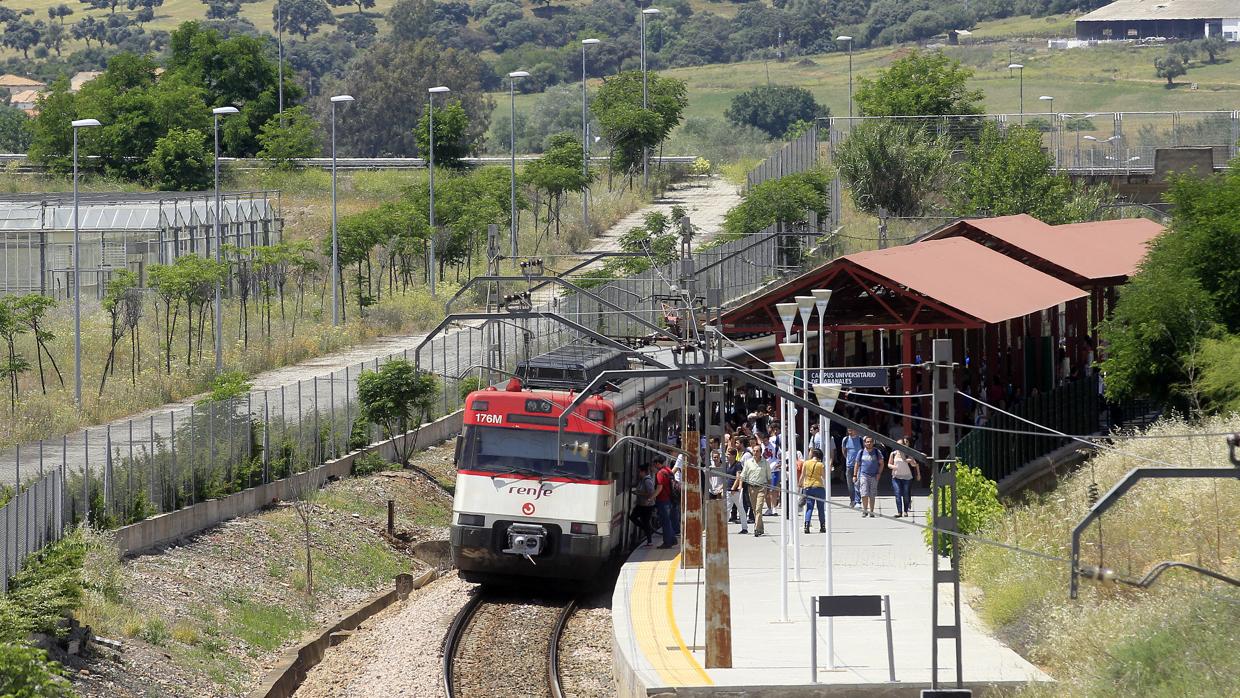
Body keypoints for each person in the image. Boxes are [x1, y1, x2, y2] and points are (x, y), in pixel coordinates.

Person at [738, 443, 769, 536]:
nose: (755, 453)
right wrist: (740, 485)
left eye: (757, 451)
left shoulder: (765, 463)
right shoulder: (748, 462)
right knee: (755, 509)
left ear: (761, 453)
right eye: (754, 451)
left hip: (762, 488)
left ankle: (756, 528)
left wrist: (769, 490)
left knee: (758, 509)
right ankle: (760, 528)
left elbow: (769, 477)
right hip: (751, 488)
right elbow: (743, 475)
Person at [887, 437, 919, 518]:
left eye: (901, 444)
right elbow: (889, 464)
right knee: (897, 494)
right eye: (898, 445)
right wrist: (893, 467)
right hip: (896, 477)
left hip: (907, 477)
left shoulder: (908, 454)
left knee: (906, 494)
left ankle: (905, 511)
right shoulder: (893, 454)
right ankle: (899, 512)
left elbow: (914, 465)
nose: (899, 446)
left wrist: (912, 462)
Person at [853, 436, 884, 518]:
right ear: (864, 443)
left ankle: (871, 511)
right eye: (867, 442)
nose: (869, 443)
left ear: (873, 442)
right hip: (863, 475)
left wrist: (879, 473)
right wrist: (855, 475)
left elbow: (881, 463)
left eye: (870, 442)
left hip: (874, 476)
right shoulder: (861, 452)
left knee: (872, 494)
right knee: (864, 493)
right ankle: (865, 510)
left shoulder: (877, 452)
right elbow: (857, 464)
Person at [628, 463, 657, 546]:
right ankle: (647, 532)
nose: (638, 474)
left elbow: (651, 493)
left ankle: (649, 538)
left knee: (644, 521)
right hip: (641, 504)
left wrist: (639, 493)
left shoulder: (647, 481)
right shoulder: (642, 480)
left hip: (647, 505)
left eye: (639, 472)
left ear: (643, 472)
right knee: (634, 517)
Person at [653, 456, 679, 548]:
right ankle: (672, 540)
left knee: (665, 522)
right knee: (668, 521)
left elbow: (659, 488)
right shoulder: (669, 470)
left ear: (657, 464)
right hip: (670, 499)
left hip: (663, 500)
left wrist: (651, 497)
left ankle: (667, 542)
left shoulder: (660, 473)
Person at [800, 447, 826, 534]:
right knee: (821, 508)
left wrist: (800, 484)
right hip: (819, 487)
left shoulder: (806, 463)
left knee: (809, 507)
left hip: (808, 487)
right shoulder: (821, 465)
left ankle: (806, 525)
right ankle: (822, 526)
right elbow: (824, 476)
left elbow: (802, 475)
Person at [841, 428, 864, 508]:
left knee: (858, 483)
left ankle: (858, 501)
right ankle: (852, 500)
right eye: (848, 430)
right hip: (849, 465)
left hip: (859, 465)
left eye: (851, 430)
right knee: (850, 485)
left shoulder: (860, 439)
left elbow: (864, 451)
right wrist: (848, 458)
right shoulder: (846, 439)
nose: (850, 432)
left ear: (856, 430)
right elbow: (844, 451)